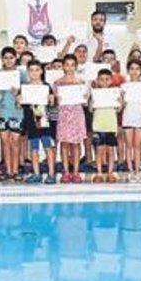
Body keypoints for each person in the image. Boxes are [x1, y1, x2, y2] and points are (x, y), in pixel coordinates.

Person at [54, 55, 87, 183]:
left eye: (72, 65)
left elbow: (85, 101)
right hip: (63, 114)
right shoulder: (57, 83)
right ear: (63, 66)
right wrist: (56, 99)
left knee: (76, 143)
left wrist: (84, 97)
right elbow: (54, 102)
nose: (69, 67)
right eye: (67, 64)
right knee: (64, 143)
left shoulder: (81, 82)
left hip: (77, 113)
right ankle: (66, 171)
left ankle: (76, 172)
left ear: (76, 66)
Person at [21, 60, 56, 184]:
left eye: (37, 70)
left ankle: (51, 174)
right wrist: (18, 100)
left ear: (41, 71)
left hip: (44, 120)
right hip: (30, 120)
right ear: (28, 72)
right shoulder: (24, 87)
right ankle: (36, 173)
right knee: (33, 147)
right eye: (31, 70)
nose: (34, 73)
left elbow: (52, 105)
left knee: (48, 146)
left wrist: (52, 100)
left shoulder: (46, 86)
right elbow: (20, 105)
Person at [0, 47, 23, 181]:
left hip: (16, 111)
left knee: (15, 141)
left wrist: (19, 92)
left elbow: (29, 91)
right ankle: (8, 170)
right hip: (1, 111)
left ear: (16, 58)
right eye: (6, 58)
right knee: (4, 141)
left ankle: (15, 170)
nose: (9, 60)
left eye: (11, 57)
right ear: (2, 59)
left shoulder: (21, 74)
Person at [121, 59, 141, 183]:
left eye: (137, 69)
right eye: (132, 69)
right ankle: (130, 171)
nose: (134, 71)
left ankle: (138, 170)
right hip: (128, 116)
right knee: (129, 145)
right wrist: (120, 99)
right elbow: (121, 105)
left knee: (138, 145)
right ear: (128, 71)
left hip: (140, 116)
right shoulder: (124, 86)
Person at [90, 69, 120, 183]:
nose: (104, 82)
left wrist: (120, 101)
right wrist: (91, 102)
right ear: (97, 81)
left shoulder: (114, 93)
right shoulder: (95, 94)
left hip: (111, 125)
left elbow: (118, 109)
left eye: (107, 79)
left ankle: (110, 172)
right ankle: (99, 173)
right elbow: (90, 109)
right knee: (99, 150)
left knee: (110, 150)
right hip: (98, 125)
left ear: (111, 81)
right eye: (101, 79)